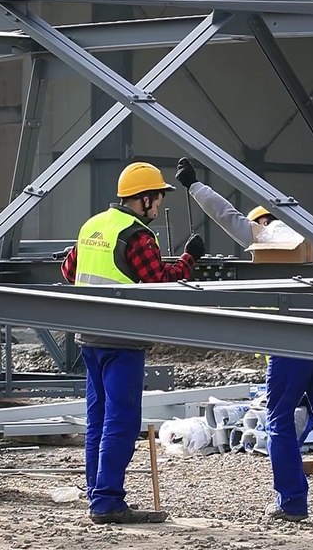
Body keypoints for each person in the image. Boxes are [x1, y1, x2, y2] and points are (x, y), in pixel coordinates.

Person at [175, 157, 313, 529]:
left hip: (290, 345)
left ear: (266, 221)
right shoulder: (310, 238)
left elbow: (228, 216)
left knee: (280, 420)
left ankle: (293, 503)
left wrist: (194, 186)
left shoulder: (271, 236)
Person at [60, 161, 206, 525]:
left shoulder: (93, 226)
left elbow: (68, 271)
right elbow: (158, 281)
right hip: (122, 340)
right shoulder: (138, 236)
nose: (158, 206)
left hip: (89, 338)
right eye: (157, 198)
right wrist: (189, 260)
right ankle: (107, 502)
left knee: (98, 420)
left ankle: (97, 494)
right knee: (121, 423)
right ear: (142, 200)